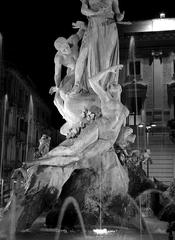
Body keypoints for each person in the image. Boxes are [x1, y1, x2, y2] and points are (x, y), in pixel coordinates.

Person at [27, 65, 129, 167]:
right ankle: (39, 161)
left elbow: (122, 129)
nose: (112, 84)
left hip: (108, 140)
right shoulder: (106, 99)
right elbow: (92, 81)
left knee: (78, 158)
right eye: (111, 85)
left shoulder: (125, 110)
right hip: (98, 128)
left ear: (120, 89)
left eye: (115, 84)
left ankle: (44, 162)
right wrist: (109, 70)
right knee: (72, 149)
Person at [70, 0, 124, 95]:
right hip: (94, 26)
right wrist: (95, 13)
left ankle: (102, 89)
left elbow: (117, 13)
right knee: (83, 55)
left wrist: (120, 17)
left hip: (109, 27)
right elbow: (83, 10)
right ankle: (77, 84)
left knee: (106, 59)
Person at [51, 21, 86, 90]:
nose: (67, 50)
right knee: (62, 92)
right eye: (64, 50)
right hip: (73, 71)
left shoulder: (73, 40)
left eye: (67, 46)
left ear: (67, 42)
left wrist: (83, 25)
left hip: (84, 61)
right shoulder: (58, 58)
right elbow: (57, 75)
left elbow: (82, 31)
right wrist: (57, 86)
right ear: (60, 51)